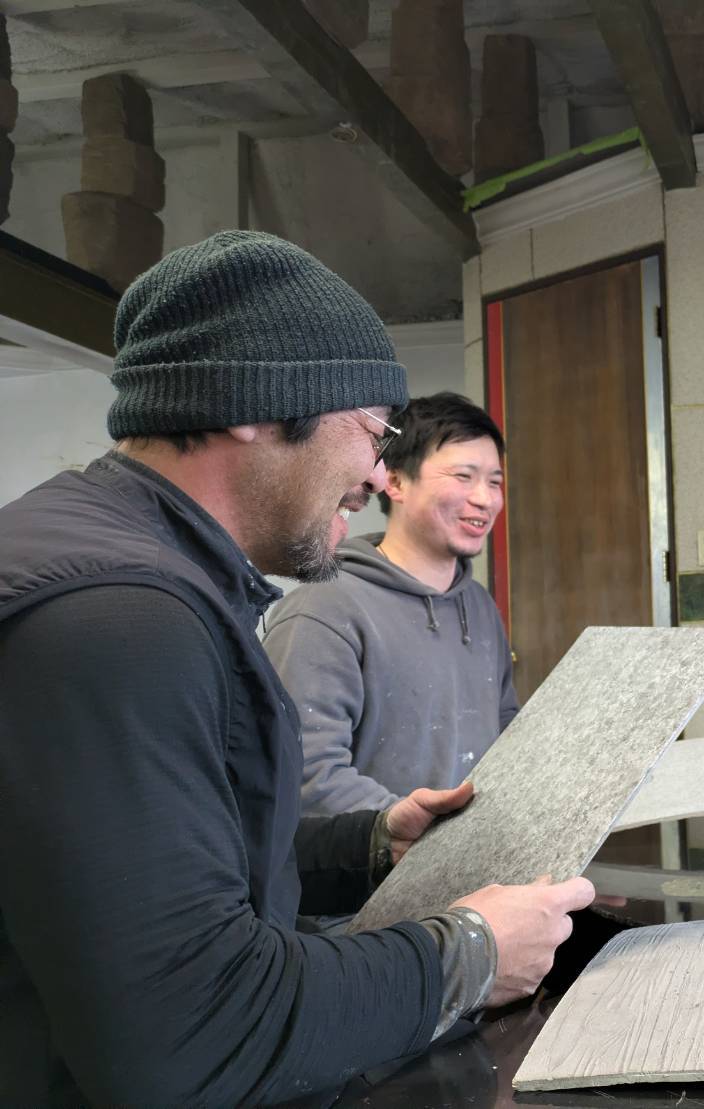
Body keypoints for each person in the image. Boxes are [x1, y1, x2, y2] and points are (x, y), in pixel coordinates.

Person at [0, 231, 593, 1106]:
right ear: (257, 398)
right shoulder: (119, 619)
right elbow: (195, 1026)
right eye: (373, 430)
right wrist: (469, 952)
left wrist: (371, 844)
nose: (375, 474)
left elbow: (178, 865)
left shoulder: (137, 571)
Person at [265, 392, 517, 817]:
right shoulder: (325, 609)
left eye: (494, 482)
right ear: (395, 482)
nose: (485, 498)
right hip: (374, 856)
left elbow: (508, 734)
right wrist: (421, 833)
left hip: (476, 856)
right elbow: (307, 774)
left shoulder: (478, 605)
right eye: (463, 476)